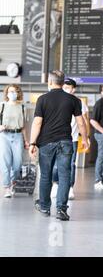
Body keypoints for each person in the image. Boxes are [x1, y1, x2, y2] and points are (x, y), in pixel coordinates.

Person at [30, 71, 89, 221]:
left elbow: (37, 122)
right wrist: (85, 138)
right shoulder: (73, 100)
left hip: (46, 143)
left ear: (50, 82)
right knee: (64, 176)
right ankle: (61, 210)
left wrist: (32, 142)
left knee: (46, 175)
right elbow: (80, 122)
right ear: (63, 83)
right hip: (65, 142)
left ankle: (44, 206)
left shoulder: (42, 99)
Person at [51, 78, 90, 200]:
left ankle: (70, 188)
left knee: (71, 164)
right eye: (65, 86)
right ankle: (56, 184)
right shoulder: (56, 99)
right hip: (55, 137)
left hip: (72, 138)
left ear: (74, 89)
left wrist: (86, 137)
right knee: (56, 164)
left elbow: (84, 122)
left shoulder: (79, 102)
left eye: (69, 86)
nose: (66, 88)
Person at [0, 84, 29, 198]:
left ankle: (13, 182)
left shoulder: (22, 107)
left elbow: (24, 127)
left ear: (18, 93)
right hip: (4, 136)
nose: (13, 93)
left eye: (15, 91)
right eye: (10, 91)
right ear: (7, 93)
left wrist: (26, 141)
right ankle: (7, 187)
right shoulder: (2, 106)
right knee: (5, 163)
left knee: (18, 164)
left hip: (18, 136)